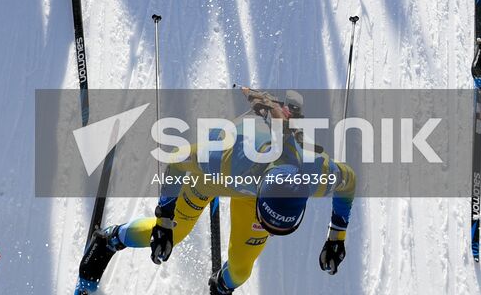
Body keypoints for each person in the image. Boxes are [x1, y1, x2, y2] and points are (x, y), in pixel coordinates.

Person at [76, 92, 355, 292]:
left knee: (240, 270)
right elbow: (177, 159)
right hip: (215, 178)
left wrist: (336, 236)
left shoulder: (314, 172)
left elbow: (349, 181)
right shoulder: (224, 160)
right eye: (269, 225)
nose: (269, 232)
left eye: (277, 229)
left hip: (252, 183)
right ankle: (109, 240)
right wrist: (164, 219)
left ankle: (220, 286)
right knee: (176, 233)